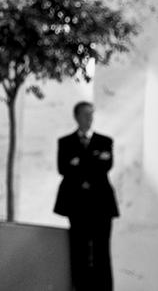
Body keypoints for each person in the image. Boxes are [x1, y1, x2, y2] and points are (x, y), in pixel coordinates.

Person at [54, 101, 118, 291]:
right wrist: (93, 159)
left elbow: (105, 166)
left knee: (101, 251)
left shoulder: (105, 141)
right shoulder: (65, 142)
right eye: (85, 115)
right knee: (79, 250)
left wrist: (79, 162)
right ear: (77, 117)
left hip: (101, 204)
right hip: (77, 205)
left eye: (92, 115)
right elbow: (63, 168)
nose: (89, 119)